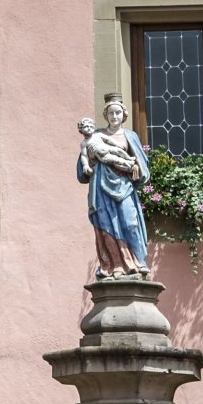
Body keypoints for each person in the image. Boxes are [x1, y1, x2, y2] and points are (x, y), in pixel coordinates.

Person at [75, 95, 151, 278]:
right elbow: (82, 170)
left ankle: (138, 262)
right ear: (106, 115)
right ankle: (115, 265)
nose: (114, 116)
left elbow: (142, 165)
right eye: (110, 113)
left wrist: (135, 168)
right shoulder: (96, 135)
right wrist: (89, 161)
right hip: (101, 187)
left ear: (123, 115)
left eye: (117, 112)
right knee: (106, 225)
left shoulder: (130, 136)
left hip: (124, 185)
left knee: (130, 222)